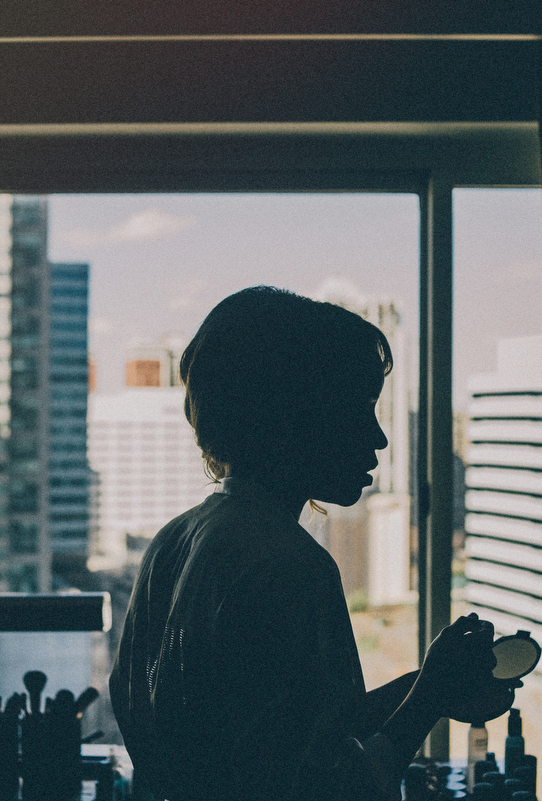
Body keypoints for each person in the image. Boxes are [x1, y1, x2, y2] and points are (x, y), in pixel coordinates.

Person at [110, 286, 512, 801]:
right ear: (293, 415)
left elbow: (291, 727)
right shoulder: (291, 566)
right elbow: (335, 787)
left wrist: (427, 682)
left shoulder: (175, 541)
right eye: (358, 409)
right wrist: (427, 700)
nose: (378, 439)